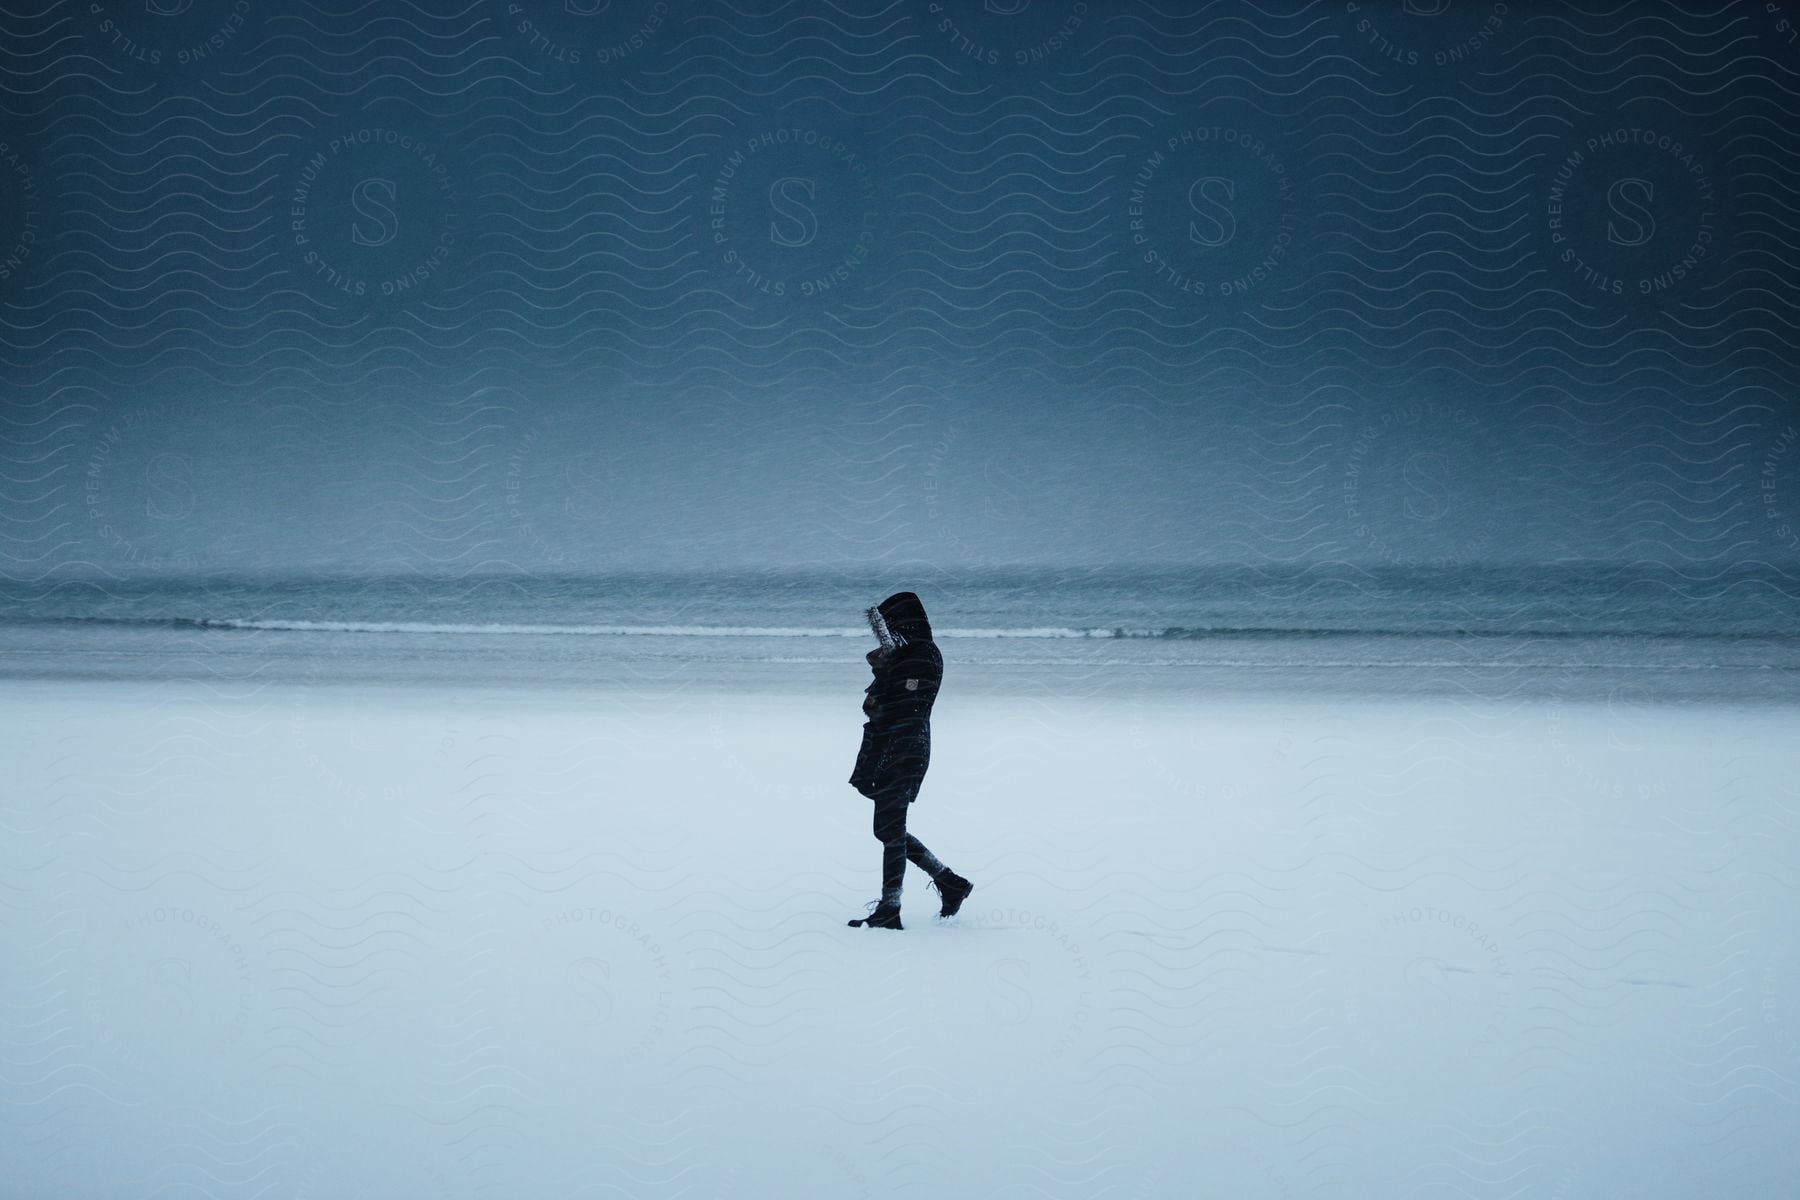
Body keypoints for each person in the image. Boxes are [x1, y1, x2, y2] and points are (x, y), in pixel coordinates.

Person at [846, 590, 972, 930]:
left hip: (904, 748)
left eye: (890, 625)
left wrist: (884, 678)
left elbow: (902, 706)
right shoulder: (908, 656)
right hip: (894, 745)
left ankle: (891, 907)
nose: (886, 633)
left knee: (889, 829)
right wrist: (884, 671)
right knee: (887, 829)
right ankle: (949, 882)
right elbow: (883, 702)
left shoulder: (921, 655)